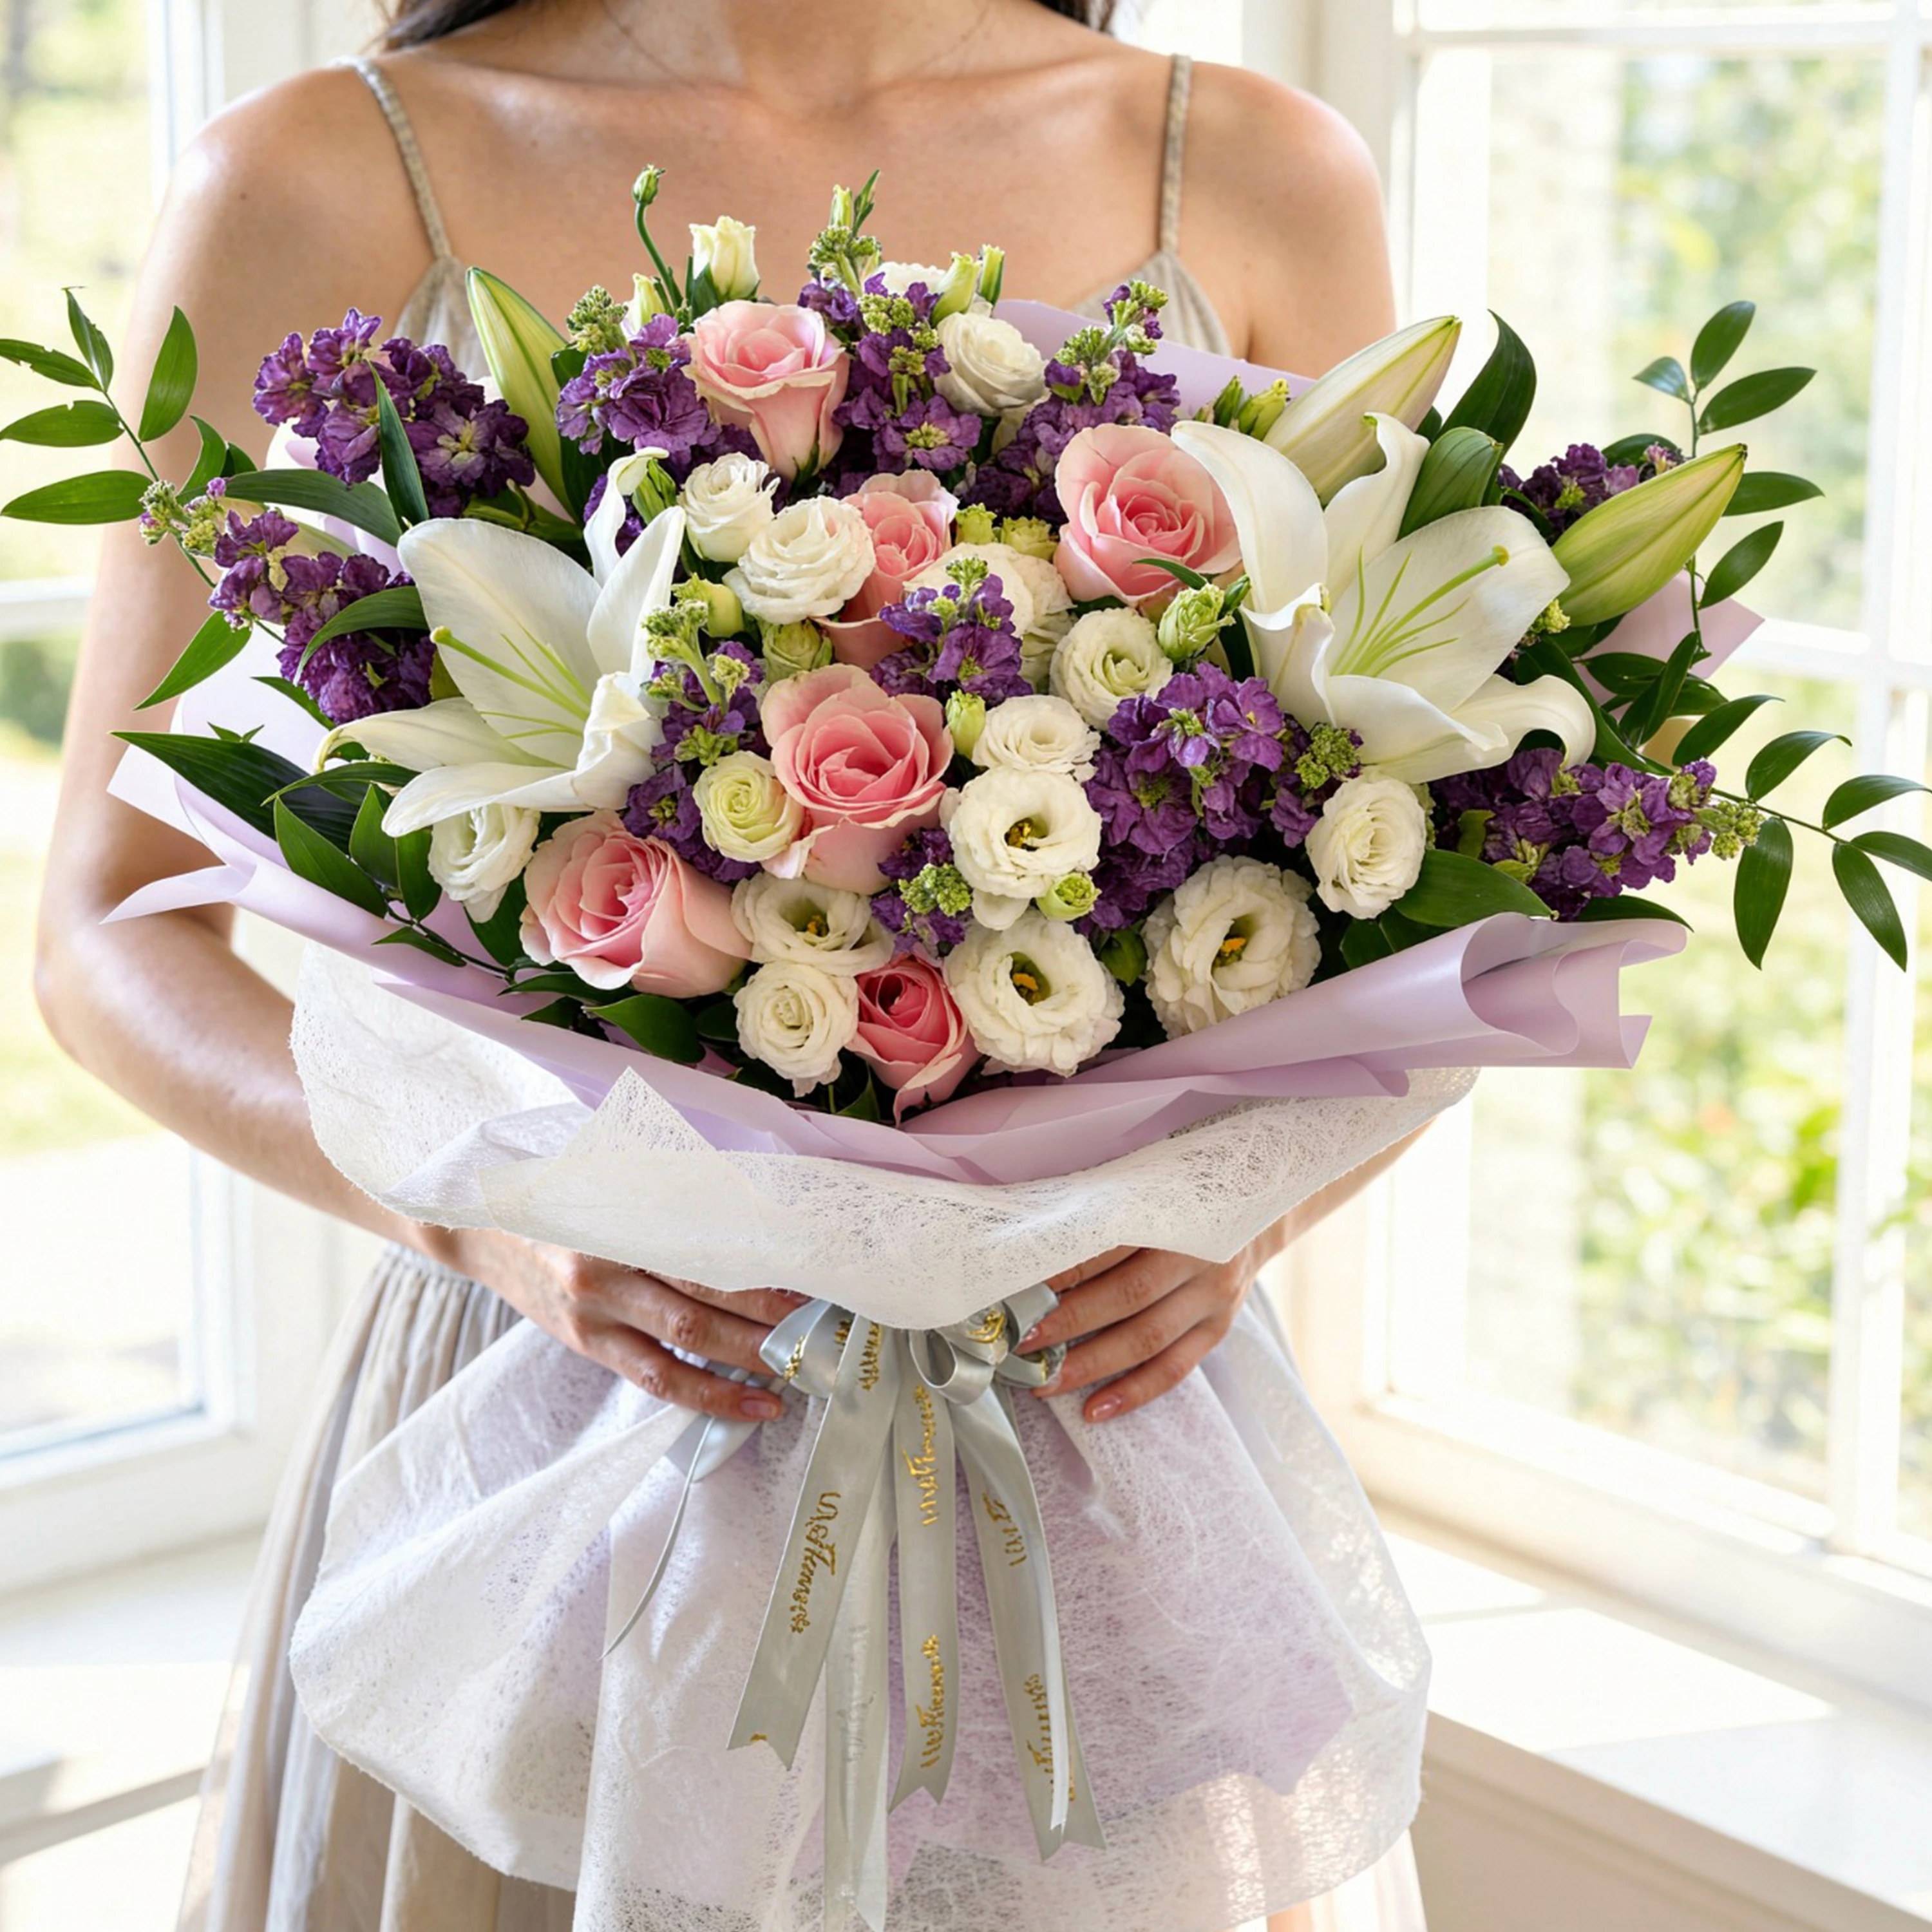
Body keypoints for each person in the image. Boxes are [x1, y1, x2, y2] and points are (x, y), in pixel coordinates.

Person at [33, 3, 1430, 1927]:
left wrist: (1231, 1226)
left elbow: (1430, 855)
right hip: (569, 1393)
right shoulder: (322, 177)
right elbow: (110, 924)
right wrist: (502, 1232)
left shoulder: (1259, 168)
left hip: (1099, 1418)